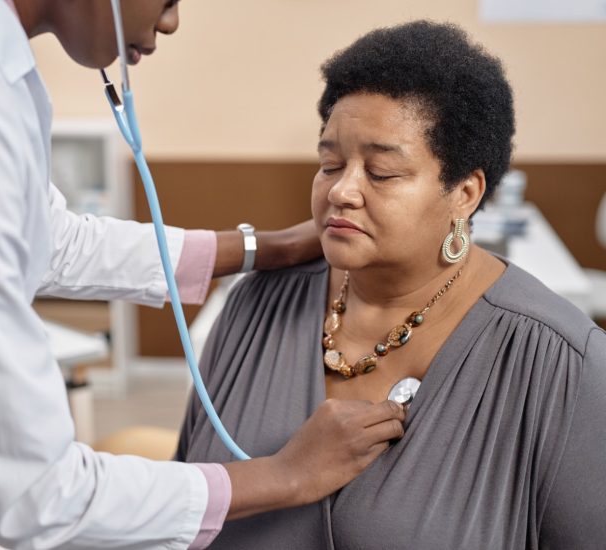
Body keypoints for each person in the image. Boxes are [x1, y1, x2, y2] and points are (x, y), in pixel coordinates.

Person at [0, 0, 410, 548]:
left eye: (381, 173)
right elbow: (39, 494)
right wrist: (284, 475)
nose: (172, 21)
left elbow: (48, 239)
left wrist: (259, 248)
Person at [176, 20, 606, 549]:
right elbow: (184, 505)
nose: (343, 190)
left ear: (465, 193)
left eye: (381, 173)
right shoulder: (254, 307)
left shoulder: (560, 362)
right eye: (330, 163)